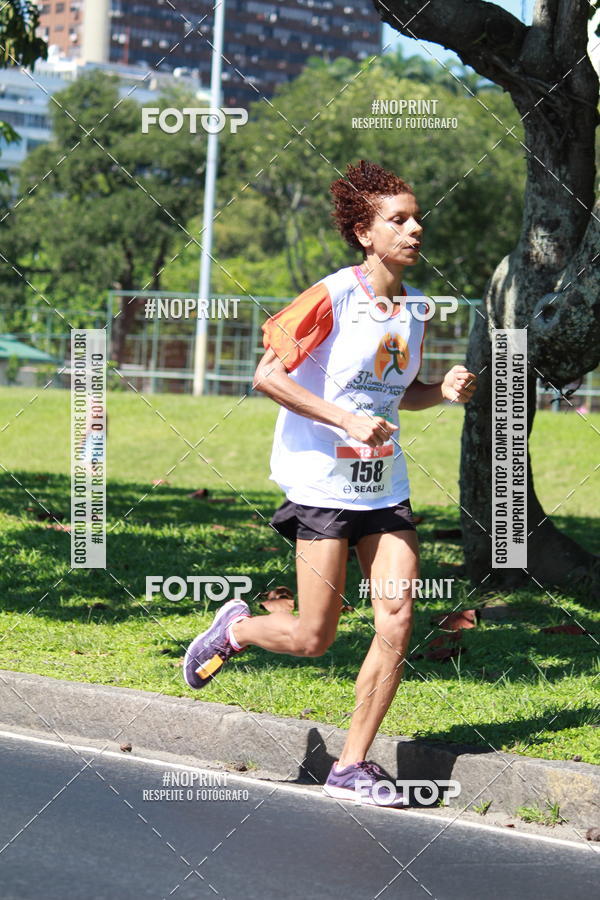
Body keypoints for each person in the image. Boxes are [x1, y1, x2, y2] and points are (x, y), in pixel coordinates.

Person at [183, 159, 477, 807]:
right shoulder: (333, 295)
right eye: (398, 220)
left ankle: (351, 764)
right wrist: (345, 417)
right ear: (365, 234)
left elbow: (400, 398)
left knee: (397, 619)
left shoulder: (415, 309)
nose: (415, 228)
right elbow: (267, 375)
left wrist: (443, 392)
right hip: (322, 485)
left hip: (383, 487)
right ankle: (236, 630)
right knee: (313, 639)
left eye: (416, 217)